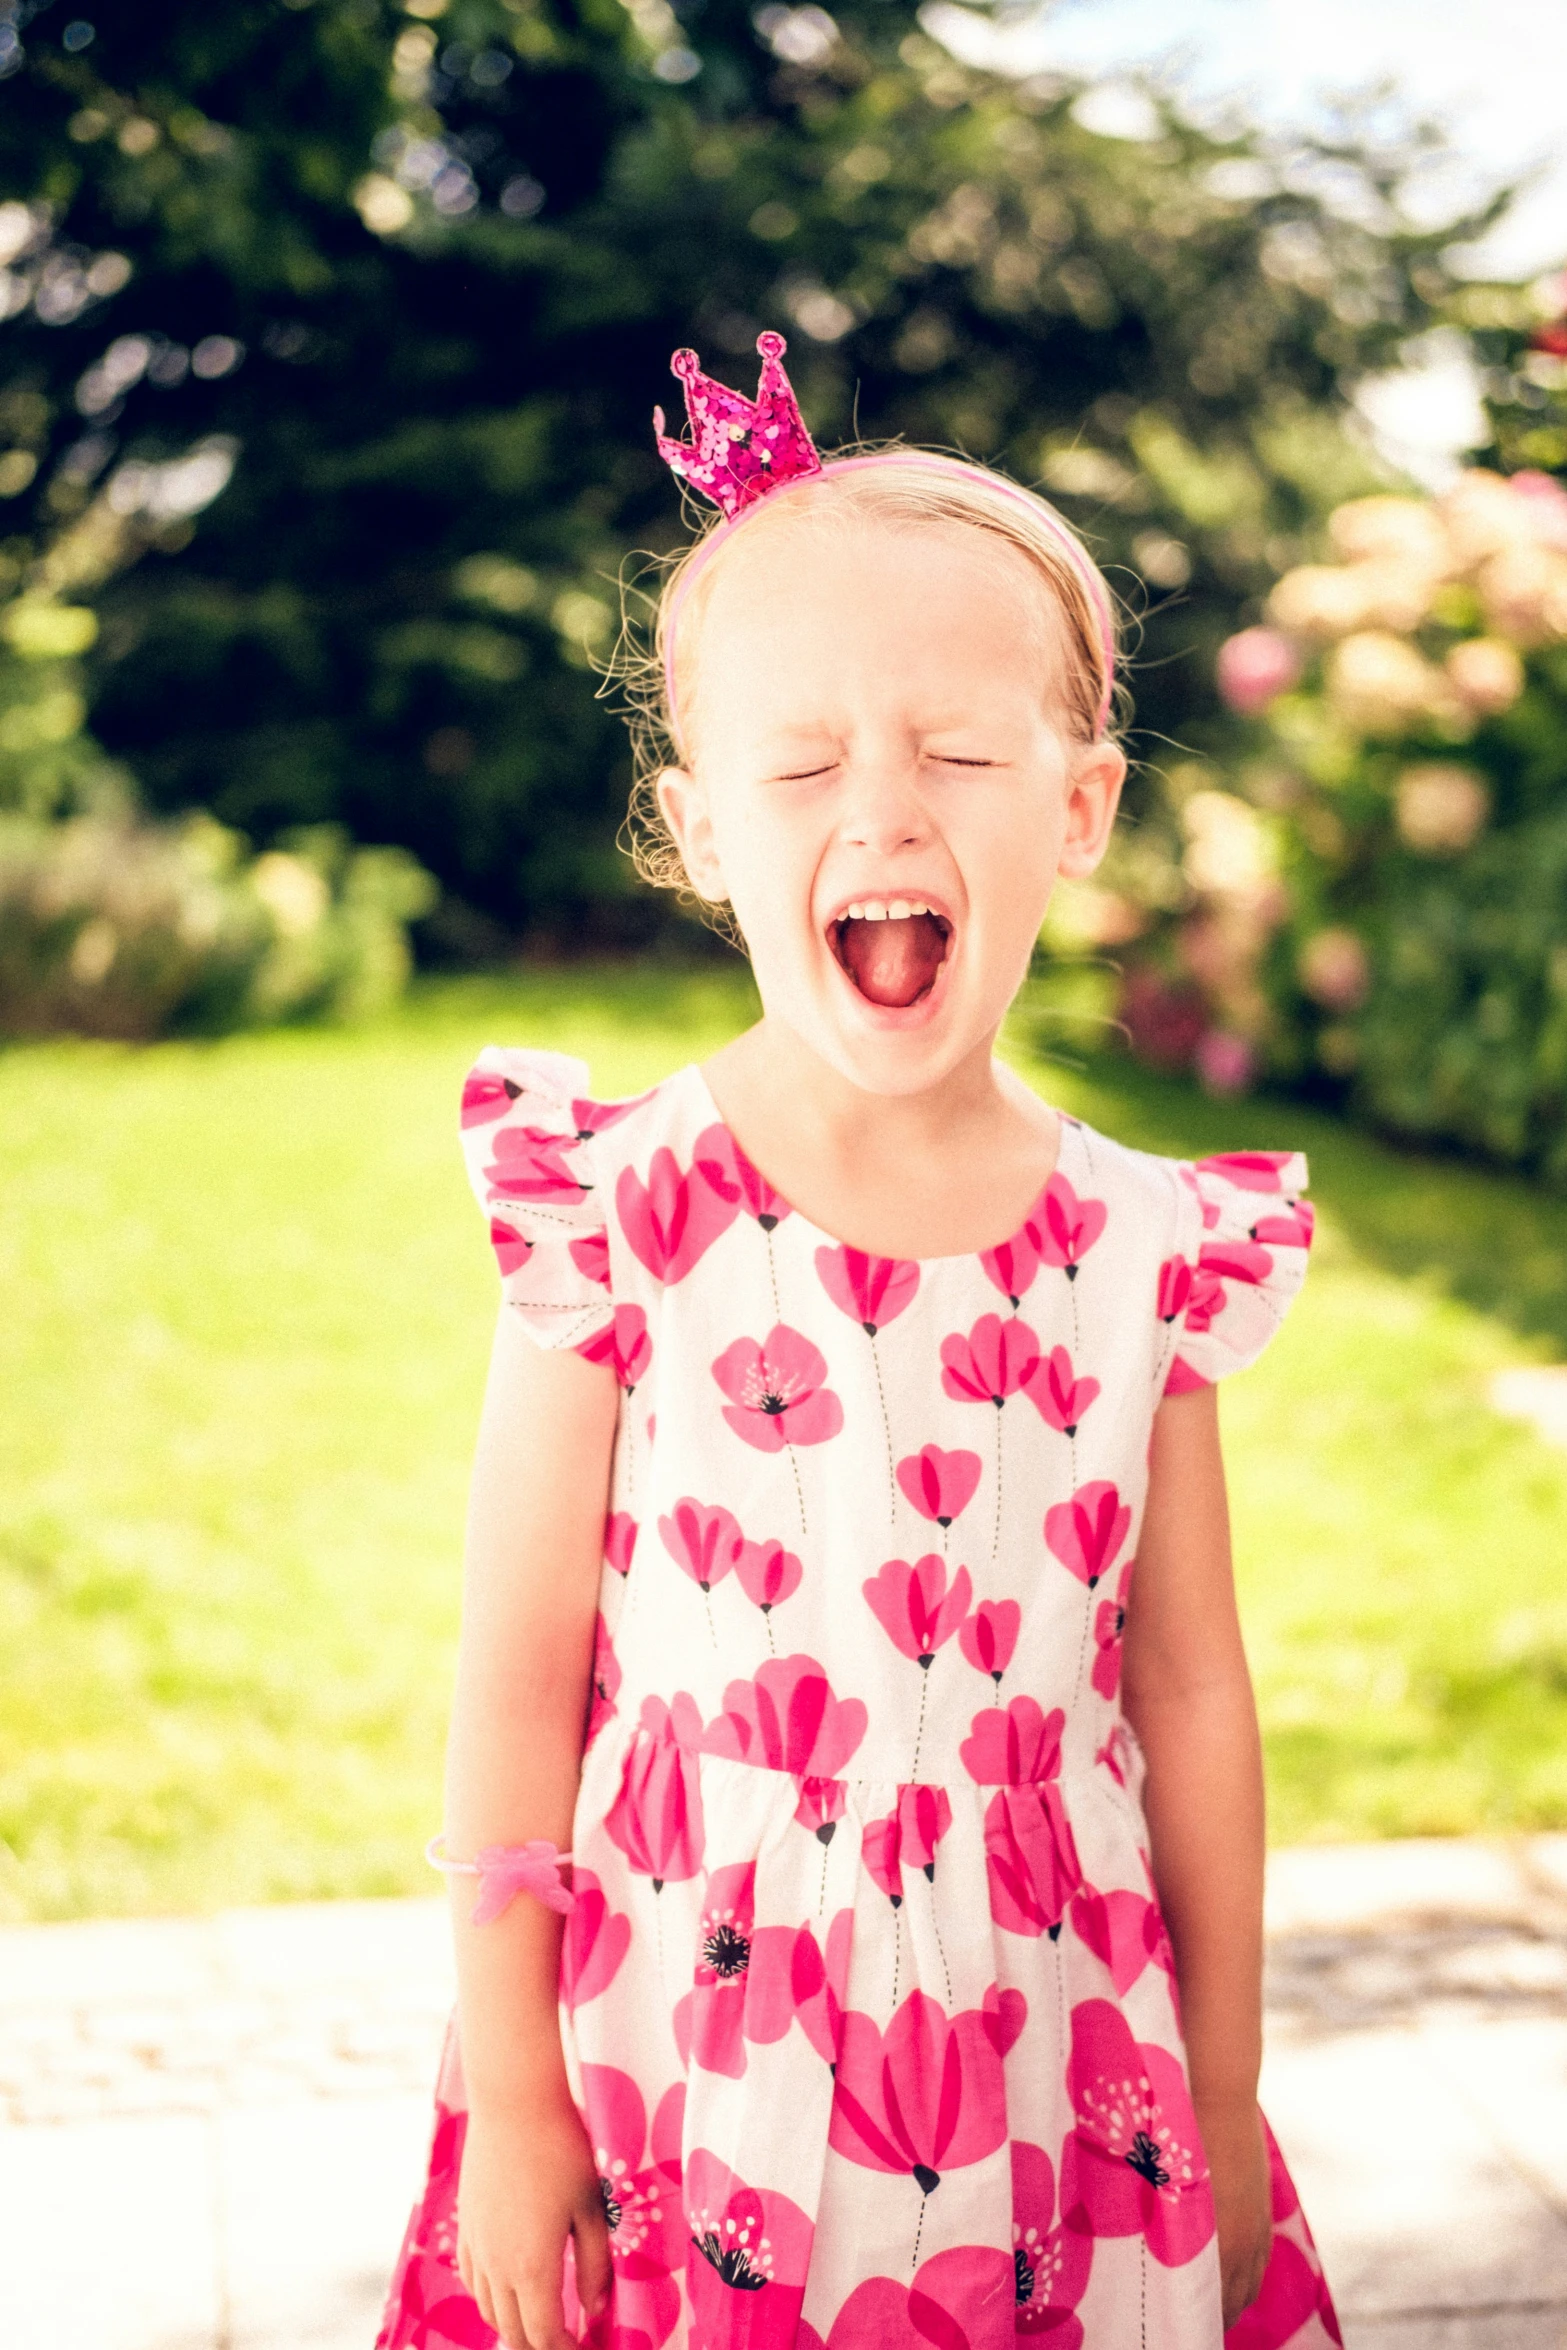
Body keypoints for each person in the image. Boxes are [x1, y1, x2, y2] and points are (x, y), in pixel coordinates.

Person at [378, 335, 1339, 2350]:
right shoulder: (615, 1215)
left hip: (1061, 2047)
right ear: (704, 829)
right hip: (683, 2046)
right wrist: (518, 2086)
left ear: (1078, 808)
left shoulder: (1150, 1246)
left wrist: (1228, 2085)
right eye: (802, 766)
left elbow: (1192, 1689)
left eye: (960, 756)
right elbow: (513, 1672)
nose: (881, 809)